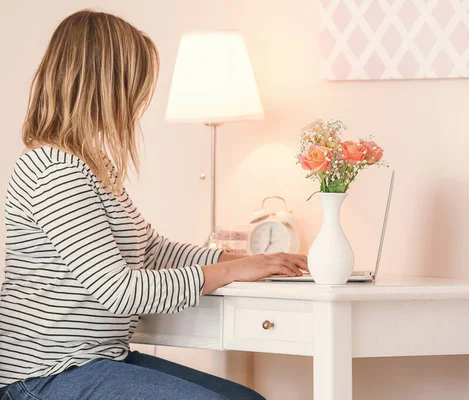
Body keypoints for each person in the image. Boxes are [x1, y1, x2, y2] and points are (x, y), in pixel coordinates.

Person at [0, 9, 307, 400]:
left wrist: (241, 261)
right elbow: (120, 290)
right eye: (134, 85)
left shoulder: (92, 164)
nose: (138, 101)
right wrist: (232, 272)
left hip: (96, 359)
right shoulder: (53, 168)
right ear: (105, 85)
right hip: (45, 374)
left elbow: (153, 249)